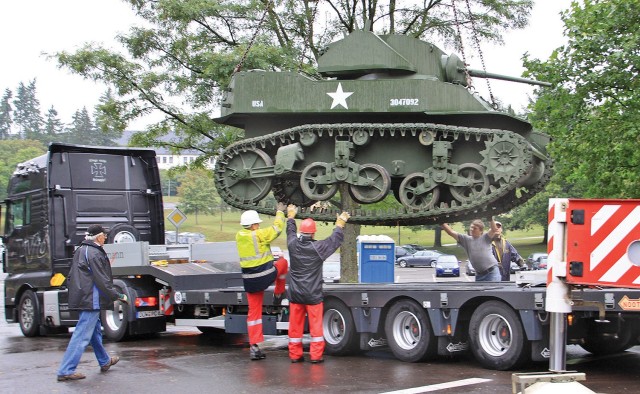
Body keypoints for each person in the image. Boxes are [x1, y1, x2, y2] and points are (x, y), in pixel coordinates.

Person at [57, 224, 128, 382]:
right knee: (82, 334)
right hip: (91, 299)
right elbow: (102, 279)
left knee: (94, 332)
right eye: (104, 235)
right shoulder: (94, 252)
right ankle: (66, 370)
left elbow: (72, 276)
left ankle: (104, 361)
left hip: (84, 296)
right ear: (98, 237)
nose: (106, 238)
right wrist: (117, 295)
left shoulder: (82, 250)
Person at [285, 205, 350, 364]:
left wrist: (291, 217)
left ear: (302, 231)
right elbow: (333, 241)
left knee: (295, 328)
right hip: (313, 294)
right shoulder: (318, 248)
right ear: (313, 233)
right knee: (316, 328)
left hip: (295, 294)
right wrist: (339, 225)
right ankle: (315, 356)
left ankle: (295, 355)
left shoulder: (293, 245)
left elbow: (290, 233)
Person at [236, 203, 288, 361]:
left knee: (254, 313)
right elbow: (277, 229)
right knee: (283, 263)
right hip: (265, 274)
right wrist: (280, 212)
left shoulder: (239, 236)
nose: (258, 225)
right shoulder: (257, 234)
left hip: (250, 281)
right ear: (252, 226)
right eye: (257, 223)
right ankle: (278, 293)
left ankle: (254, 346)